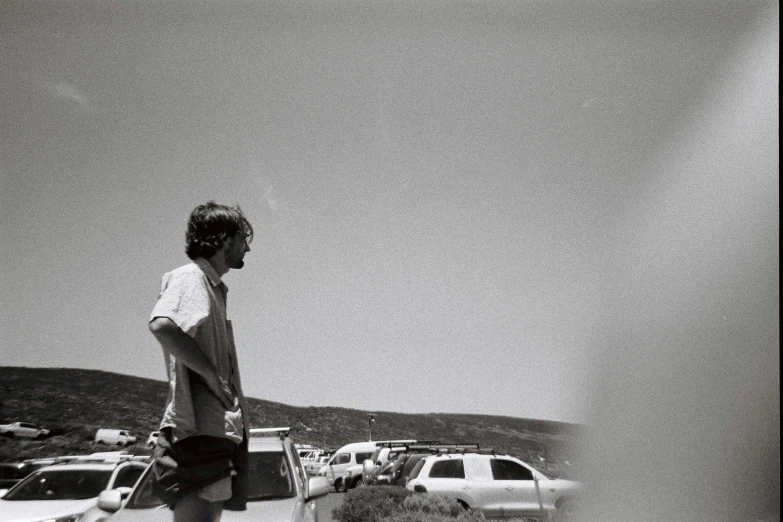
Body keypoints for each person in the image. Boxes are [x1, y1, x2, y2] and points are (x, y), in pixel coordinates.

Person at [148, 201, 253, 522]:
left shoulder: (212, 287)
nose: (247, 247)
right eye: (242, 238)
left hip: (217, 432)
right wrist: (209, 375)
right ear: (223, 239)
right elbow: (162, 324)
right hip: (197, 432)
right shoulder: (191, 278)